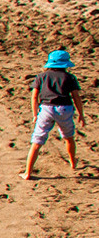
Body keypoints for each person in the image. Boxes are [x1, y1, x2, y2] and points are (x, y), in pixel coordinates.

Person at [25, 50, 85, 181]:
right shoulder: (70, 77)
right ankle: (73, 163)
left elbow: (34, 97)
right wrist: (81, 114)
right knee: (69, 137)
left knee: (37, 141)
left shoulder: (41, 76)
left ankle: (28, 172)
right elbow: (76, 97)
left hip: (46, 109)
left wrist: (35, 114)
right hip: (65, 108)